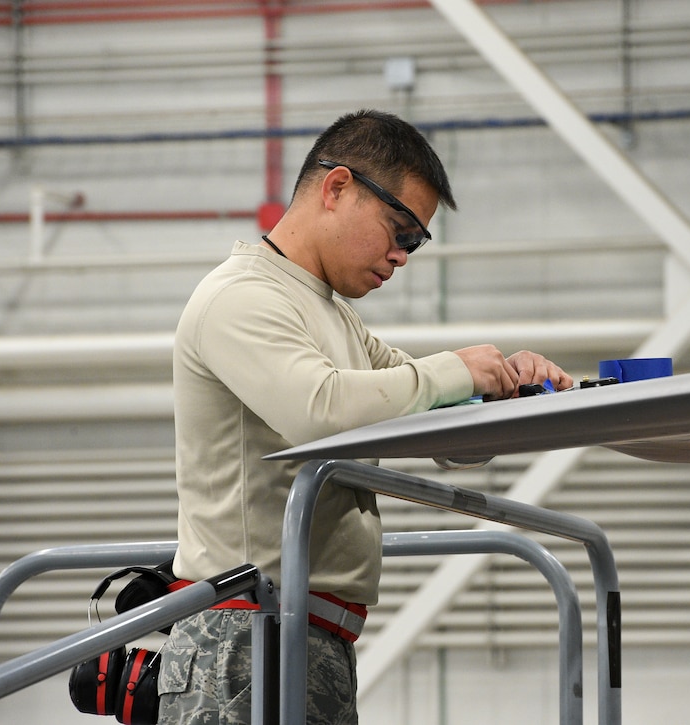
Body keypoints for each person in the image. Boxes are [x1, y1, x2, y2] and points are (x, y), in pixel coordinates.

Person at [157, 109, 573, 725]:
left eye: (415, 241)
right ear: (337, 187)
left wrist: (504, 396)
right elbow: (320, 413)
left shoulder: (333, 315)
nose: (402, 256)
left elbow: (423, 418)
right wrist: (458, 370)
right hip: (244, 641)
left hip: (305, 634)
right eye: (399, 229)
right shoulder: (241, 298)